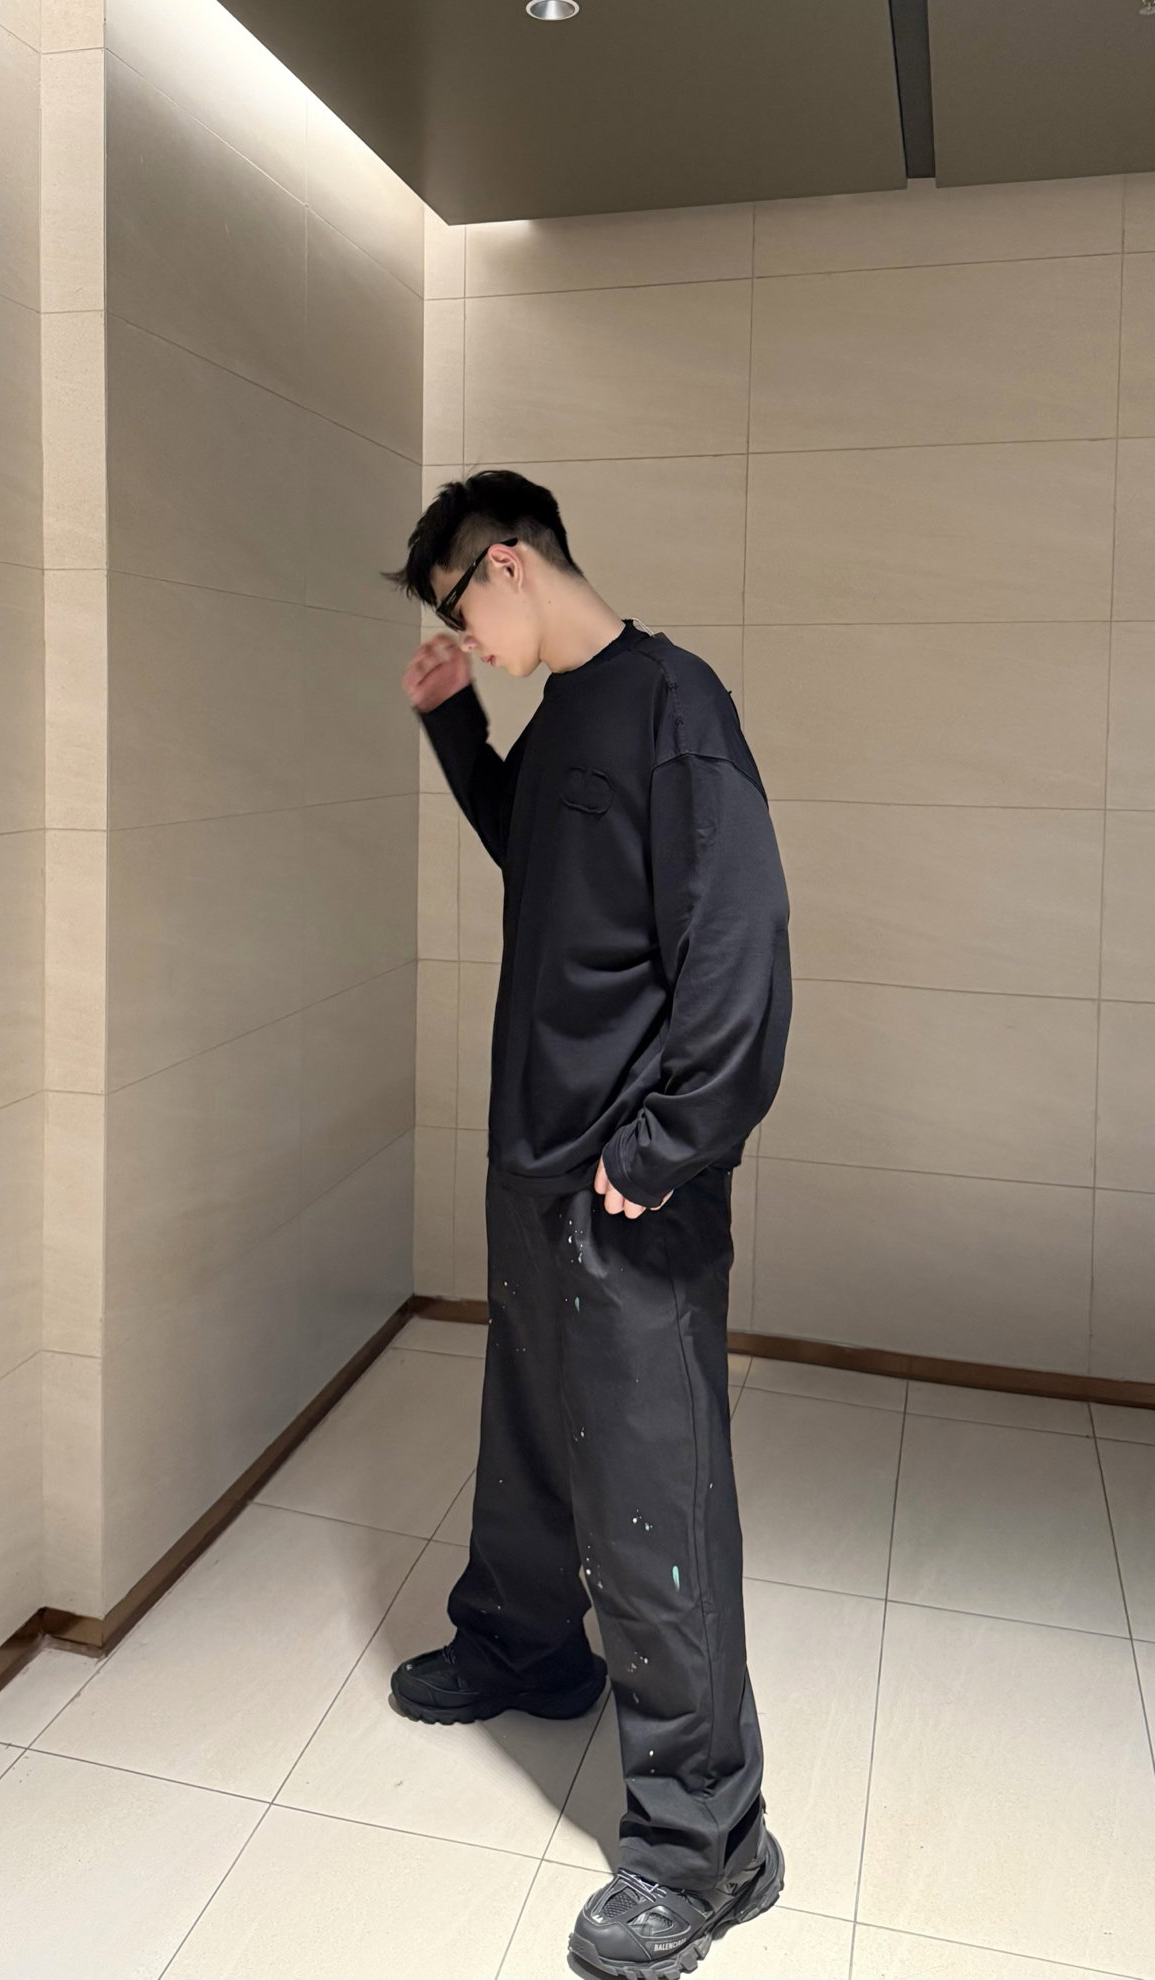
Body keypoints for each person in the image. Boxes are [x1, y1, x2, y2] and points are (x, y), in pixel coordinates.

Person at [377, 470, 793, 1978]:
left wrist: (672, 1142)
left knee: (652, 1487)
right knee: (534, 1430)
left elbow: (738, 937)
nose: (466, 638)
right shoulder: (559, 719)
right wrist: (454, 730)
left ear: (508, 564)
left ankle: (708, 1843)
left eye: (459, 609)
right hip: (537, 1162)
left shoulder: (677, 705)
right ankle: (527, 1644)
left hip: (632, 1181)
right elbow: (545, 861)